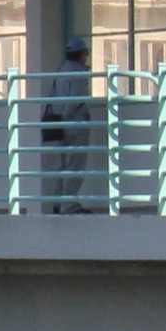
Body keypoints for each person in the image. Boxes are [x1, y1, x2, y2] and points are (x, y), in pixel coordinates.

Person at [41, 37, 98, 210]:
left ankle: (58, 202)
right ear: (81, 54)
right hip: (75, 124)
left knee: (63, 165)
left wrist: (60, 121)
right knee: (75, 166)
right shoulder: (79, 73)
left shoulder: (61, 71)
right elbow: (75, 100)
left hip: (60, 125)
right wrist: (67, 118)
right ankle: (69, 204)